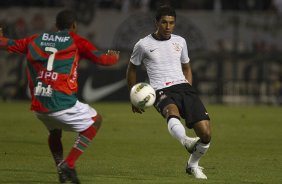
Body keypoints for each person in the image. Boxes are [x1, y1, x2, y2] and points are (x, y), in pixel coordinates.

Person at [0, 9, 120, 183]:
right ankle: (68, 164)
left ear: (56, 26)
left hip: (39, 106)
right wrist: (114, 57)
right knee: (96, 121)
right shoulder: (76, 41)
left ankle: (60, 168)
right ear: (74, 26)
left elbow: (8, 44)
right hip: (61, 102)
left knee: (55, 132)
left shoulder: (35, 39)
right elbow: (102, 59)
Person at [126, 5, 211, 179]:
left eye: (171, 23)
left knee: (206, 134)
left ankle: (192, 165)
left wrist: (189, 88)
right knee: (172, 113)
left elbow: (186, 67)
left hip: (184, 88)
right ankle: (186, 141)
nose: (168, 26)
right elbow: (131, 69)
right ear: (156, 22)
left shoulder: (180, 41)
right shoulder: (143, 44)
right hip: (160, 89)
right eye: (164, 22)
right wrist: (133, 95)